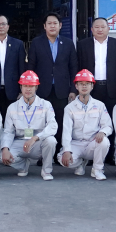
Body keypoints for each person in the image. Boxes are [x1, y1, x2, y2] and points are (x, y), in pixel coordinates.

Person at [77, 17, 116, 166]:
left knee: (110, 120)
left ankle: (109, 155)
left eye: (103, 27)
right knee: (90, 121)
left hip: (110, 88)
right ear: (92, 30)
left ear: (108, 29)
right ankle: (91, 154)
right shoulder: (83, 45)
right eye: (96, 27)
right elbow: (78, 66)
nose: (100, 29)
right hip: (90, 88)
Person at [27, 12, 78, 143]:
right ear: (44, 26)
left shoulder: (68, 43)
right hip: (41, 89)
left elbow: (73, 68)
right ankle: (41, 149)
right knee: (40, 120)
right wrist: (29, 88)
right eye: (49, 23)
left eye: (55, 23)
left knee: (59, 120)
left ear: (60, 25)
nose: (52, 26)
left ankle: (58, 150)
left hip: (61, 90)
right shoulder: (37, 43)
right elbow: (31, 67)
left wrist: (73, 90)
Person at [0, 71, 58, 180]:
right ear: (21, 87)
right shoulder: (12, 107)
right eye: (25, 86)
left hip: (37, 143)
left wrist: (35, 138)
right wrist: (5, 149)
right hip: (20, 142)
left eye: (31, 86)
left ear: (36, 87)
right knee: (2, 156)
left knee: (51, 141)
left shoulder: (45, 105)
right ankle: (23, 166)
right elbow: (8, 131)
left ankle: (46, 171)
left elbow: (53, 126)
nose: (28, 89)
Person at [57, 69, 113, 180]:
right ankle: (80, 163)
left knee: (104, 141)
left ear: (92, 86)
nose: (84, 86)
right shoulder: (69, 108)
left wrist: (103, 132)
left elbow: (108, 126)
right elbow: (67, 131)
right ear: (76, 86)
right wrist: (67, 150)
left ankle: (97, 169)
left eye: (87, 83)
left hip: (92, 143)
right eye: (81, 84)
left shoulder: (100, 105)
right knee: (63, 160)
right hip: (76, 143)